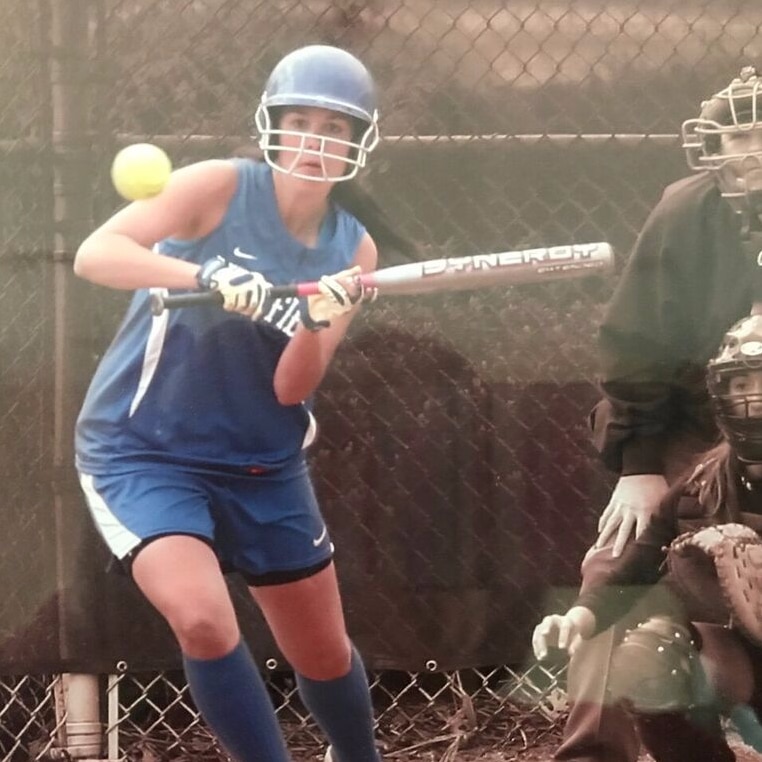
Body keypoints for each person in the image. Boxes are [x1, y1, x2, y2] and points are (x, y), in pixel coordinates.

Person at [72, 44, 413, 762]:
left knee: (320, 652)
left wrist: (320, 318)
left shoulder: (355, 250)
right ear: (273, 126)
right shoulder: (217, 187)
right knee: (202, 620)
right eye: (301, 120)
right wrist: (207, 274)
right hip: (145, 452)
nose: (317, 140)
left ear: (359, 141)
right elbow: (96, 254)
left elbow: (291, 388)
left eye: (337, 126)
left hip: (263, 460)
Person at [555, 65, 762, 762]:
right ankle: (593, 752)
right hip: (696, 421)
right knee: (625, 565)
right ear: (713, 146)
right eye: (738, 137)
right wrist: (640, 465)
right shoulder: (685, 211)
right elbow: (636, 345)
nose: (752, 150)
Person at [534, 311, 762, 762]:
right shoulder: (701, 484)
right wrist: (578, 619)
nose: (754, 399)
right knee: (652, 653)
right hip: (743, 662)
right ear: (721, 394)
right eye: (742, 385)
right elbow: (635, 570)